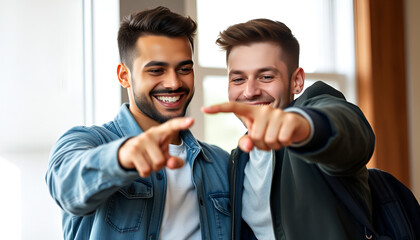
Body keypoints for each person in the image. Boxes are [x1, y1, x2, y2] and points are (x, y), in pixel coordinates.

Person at [45, 6, 231, 240]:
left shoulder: (221, 163)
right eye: (156, 70)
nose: (174, 83)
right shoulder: (87, 141)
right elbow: (66, 187)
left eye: (184, 69)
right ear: (124, 76)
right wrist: (122, 157)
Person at [202, 19, 375, 239]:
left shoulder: (313, 110)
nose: (250, 91)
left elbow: (351, 132)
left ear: (297, 81)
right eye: (238, 79)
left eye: (266, 77)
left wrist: (304, 127)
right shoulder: (239, 159)